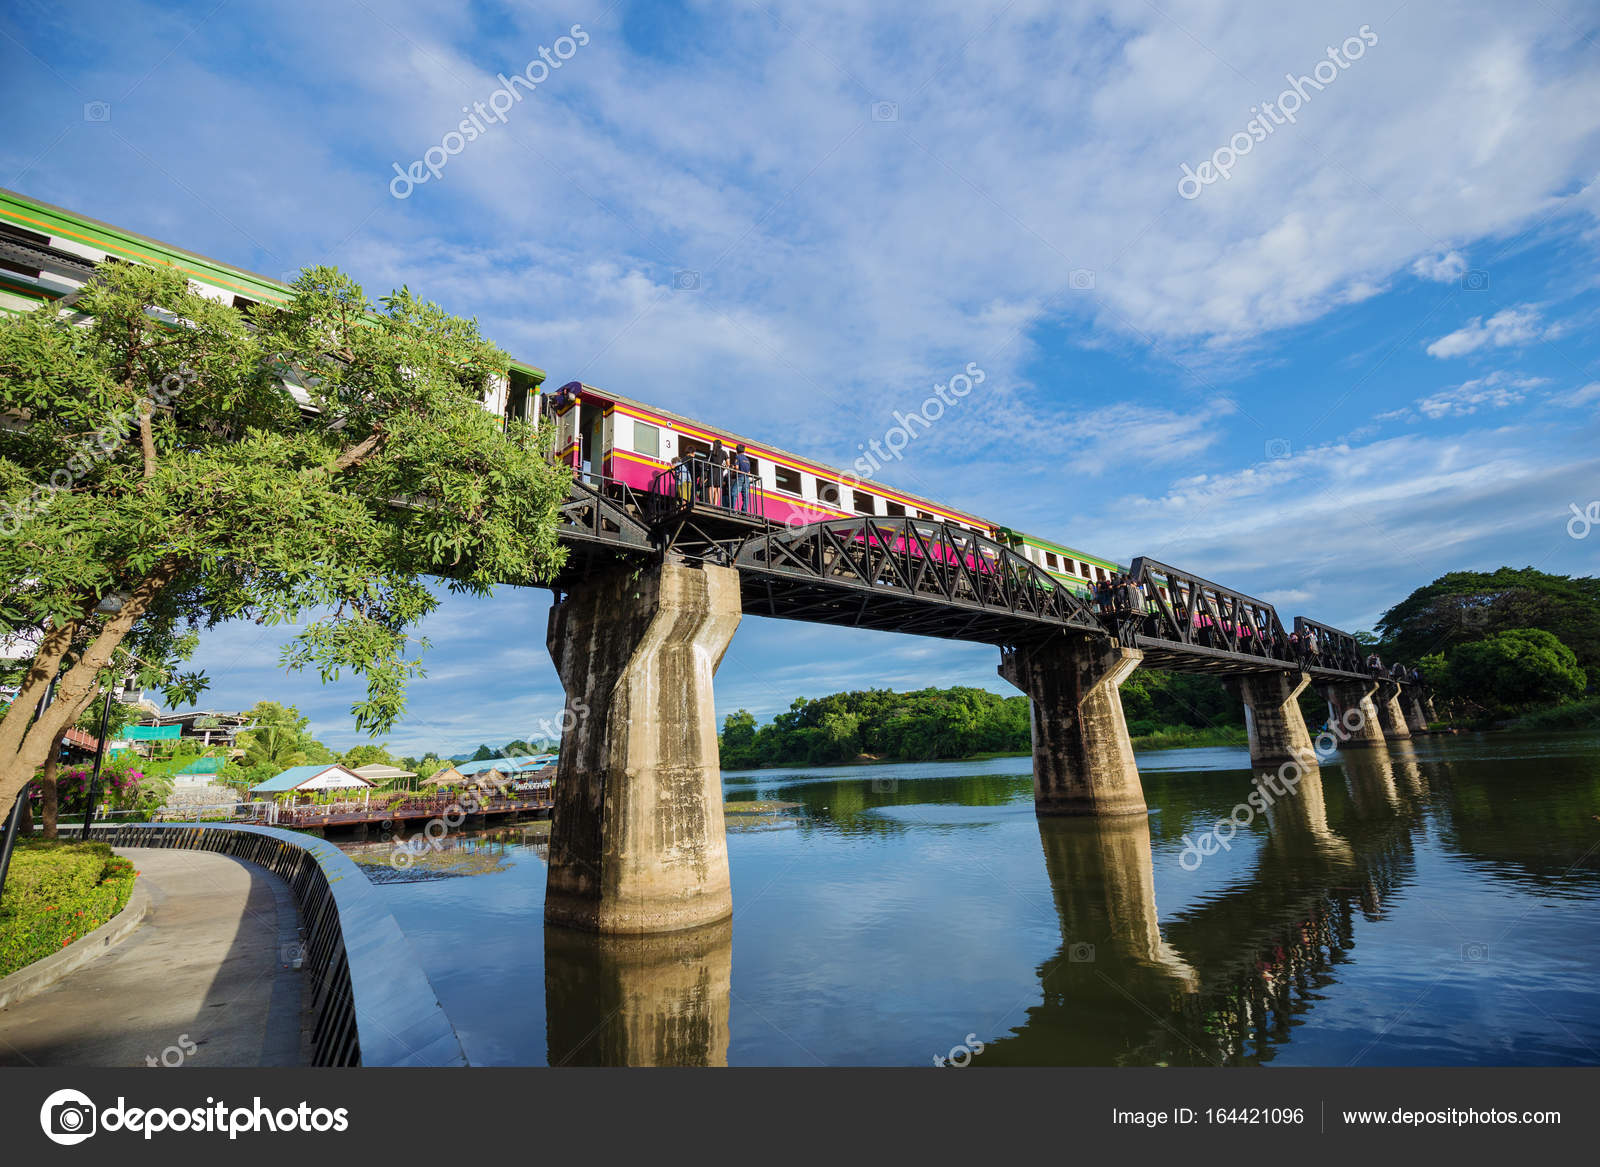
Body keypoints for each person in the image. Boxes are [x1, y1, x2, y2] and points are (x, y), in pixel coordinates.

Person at [731, 444, 753, 514]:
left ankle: (732, 509)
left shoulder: (738, 457)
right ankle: (744, 511)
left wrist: (732, 467)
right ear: (744, 450)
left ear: (737, 450)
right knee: (745, 496)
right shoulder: (747, 459)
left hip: (740, 477)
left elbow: (737, 467)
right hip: (746, 478)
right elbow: (749, 472)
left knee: (733, 493)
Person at [708, 438, 728, 507]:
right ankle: (716, 504)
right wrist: (723, 468)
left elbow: (708, 462)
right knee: (717, 488)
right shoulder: (724, 452)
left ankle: (711, 503)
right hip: (720, 471)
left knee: (711, 487)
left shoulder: (711, 452)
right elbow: (728, 463)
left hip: (712, 470)